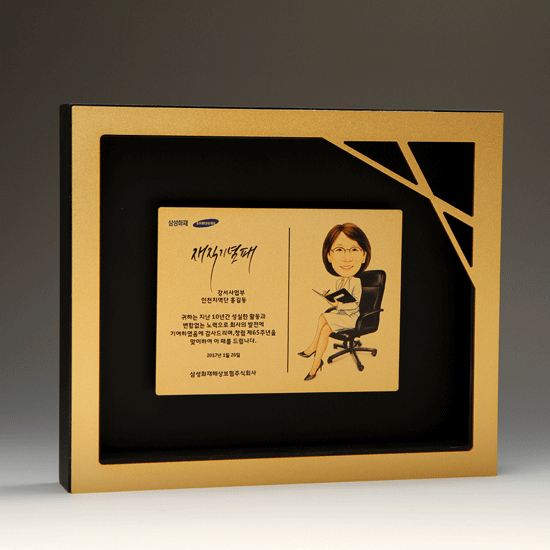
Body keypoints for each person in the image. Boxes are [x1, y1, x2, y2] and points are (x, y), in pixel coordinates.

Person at [299, 223, 371, 380]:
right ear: (329, 256)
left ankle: (315, 365)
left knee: (326, 329)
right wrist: (331, 301)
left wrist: (338, 304)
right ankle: (313, 350)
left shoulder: (356, 281)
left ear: (364, 256)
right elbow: (341, 303)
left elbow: (354, 305)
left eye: (354, 250)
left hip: (354, 318)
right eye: (339, 250)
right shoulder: (339, 282)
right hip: (343, 315)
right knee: (322, 317)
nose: (347, 257)